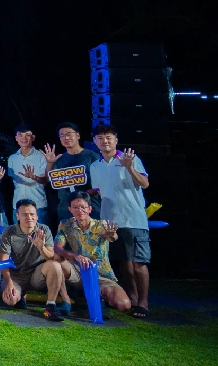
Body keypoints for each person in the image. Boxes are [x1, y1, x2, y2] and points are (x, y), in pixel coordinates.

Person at [90, 126, 152, 318]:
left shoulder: (129, 158)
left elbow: (144, 184)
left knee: (138, 263)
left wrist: (129, 167)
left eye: (108, 137)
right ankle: (132, 298)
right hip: (110, 222)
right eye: (100, 138)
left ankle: (143, 303)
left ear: (116, 140)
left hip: (134, 219)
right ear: (95, 142)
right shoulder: (95, 165)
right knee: (124, 262)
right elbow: (98, 190)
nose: (105, 141)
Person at [54, 191, 132, 313]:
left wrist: (110, 234)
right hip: (78, 271)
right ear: (70, 209)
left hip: (100, 275)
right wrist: (76, 256)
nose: (80, 210)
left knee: (124, 305)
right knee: (55, 258)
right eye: (75, 207)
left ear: (89, 209)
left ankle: (100, 297)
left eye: (83, 207)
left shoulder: (102, 225)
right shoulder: (65, 225)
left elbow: (113, 237)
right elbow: (58, 248)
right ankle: (66, 300)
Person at [0, 199, 68, 321]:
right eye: (24, 214)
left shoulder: (44, 229)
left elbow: (50, 257)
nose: (29, 217)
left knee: (55, 265)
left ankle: (51, 305)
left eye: (32, 214)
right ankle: (20, 296)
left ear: (37, 216)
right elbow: (3, 261)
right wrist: (9, 283)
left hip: (36, 274)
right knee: (10, 300)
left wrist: (41, 247)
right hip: (16, 275)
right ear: (17, 216)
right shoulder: (9, 232)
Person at [43, 122, 101, 223]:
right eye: (62, 135)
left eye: (69, 134)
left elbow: (102, 183)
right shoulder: (59, 159)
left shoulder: (92, 157)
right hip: (65, 209)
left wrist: (83, 194)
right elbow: (49, 180)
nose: (66, 138)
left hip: (89, 208)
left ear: (78, 135)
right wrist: (50, 163)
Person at [8, 124, 48, 225]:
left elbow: (45, 181)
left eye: (27, 135)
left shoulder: (41, 157)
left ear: (33, 137)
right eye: (20, 135)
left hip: (38, 205)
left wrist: (33, 177)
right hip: (17, 205)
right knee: (18, 234)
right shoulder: (12, 158)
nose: (24, 138)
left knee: (40, 233)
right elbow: (11, 182)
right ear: (16, 138)